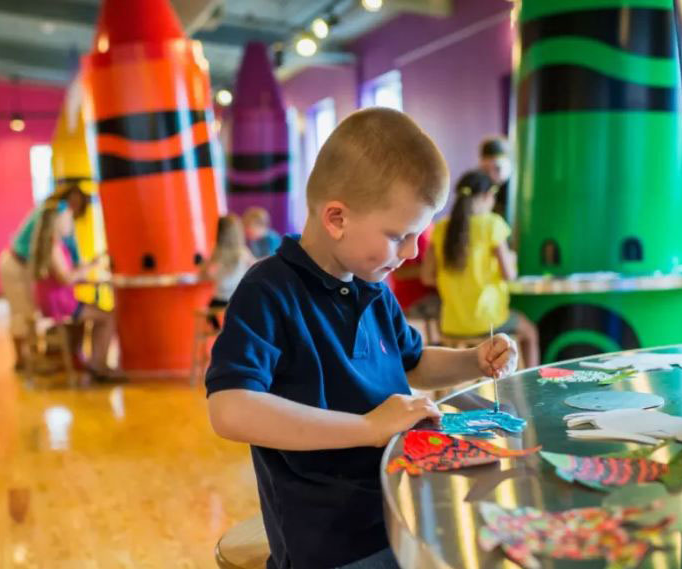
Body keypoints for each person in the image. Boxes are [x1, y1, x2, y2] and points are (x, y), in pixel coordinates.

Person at [205, 108, 519, 569]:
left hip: (403, 508)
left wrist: (473, 360)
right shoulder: (267, 290)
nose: (412, 252)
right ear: (336, 218)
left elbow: (411, 362)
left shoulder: (373, 289)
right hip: (331, 542)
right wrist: (370, 428)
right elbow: (229, 409)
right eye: (400, 236)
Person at [421, 169, 539, 368]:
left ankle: (447, 394)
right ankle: (533, 383)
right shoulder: (492, 224)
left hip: (451, 323)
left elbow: (427, 277)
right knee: (530, 332)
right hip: (489, 321)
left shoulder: (441, 229)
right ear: (487, 196)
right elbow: (509, 274)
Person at [0, 184, 89, 371]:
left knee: (28, 313)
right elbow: (68, 240)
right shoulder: (55, 209)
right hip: (15, 264)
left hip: (25, 266)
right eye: (72, 201)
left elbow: (70, 243)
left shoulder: (57, 213)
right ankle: (23, 361)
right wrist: (78, 265)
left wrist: (78, 263)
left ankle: (35, 357)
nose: (73, 207)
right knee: (22, 314)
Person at [30, 199, 118, 380]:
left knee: (94, 309)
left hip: (55, 300)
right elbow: (66, 277)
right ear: (57, 222)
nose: (70, 224)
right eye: (67, 219)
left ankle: (91, 361)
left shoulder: (53, 245)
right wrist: (89, 268)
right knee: (107, 316)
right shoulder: (54, 247)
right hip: (60, 304)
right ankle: (98, 365)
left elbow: (67, 275)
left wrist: (89, 268)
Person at [198, 214, 256, 329]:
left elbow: (204, 275)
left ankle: (220, 331)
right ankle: (228, 331)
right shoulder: (243, 252)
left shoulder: (216, 252)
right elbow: (255, 268)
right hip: (240, 301)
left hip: (219, 301)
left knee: (211, 313)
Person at [478, 136, 512, 218]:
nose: (491, 175)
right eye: (486, 170)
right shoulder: (479, 187)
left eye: (498, 169)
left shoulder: (517, 192)